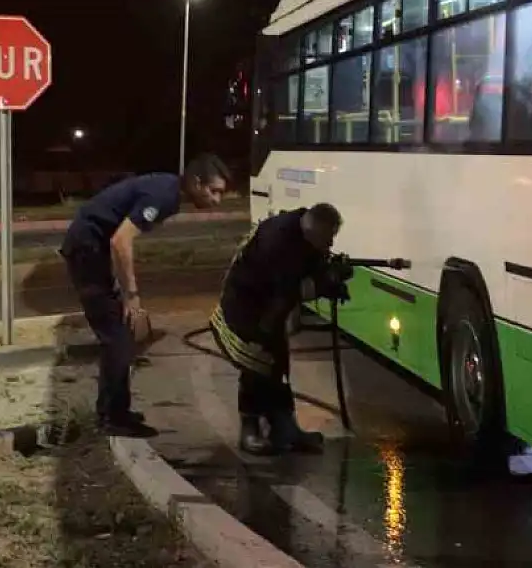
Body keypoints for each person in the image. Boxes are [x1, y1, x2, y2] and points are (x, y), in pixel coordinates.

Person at [59, 154, 230, 437]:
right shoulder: (165, 196)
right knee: (117, 335)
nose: (217, 200)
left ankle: (117, 410)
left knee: (121, 333)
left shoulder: (168, 189)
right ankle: (111, 418)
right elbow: (121, 240)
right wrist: (132, 297)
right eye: (214, 191)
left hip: (92, 248)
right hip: (87, 249)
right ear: (197, 183)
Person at [208, 203, 344, 455]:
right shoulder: (278, 243)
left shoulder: (302, 232)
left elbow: (310, 267)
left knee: (278, 365)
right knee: (256, 364)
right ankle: (249, 430)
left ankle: (285, 428)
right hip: (246, 307)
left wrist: (329, 275)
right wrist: (324, 284)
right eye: (328, 239)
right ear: (314, 232)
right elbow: (288, 292)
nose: (330, 245)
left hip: (269, 307)